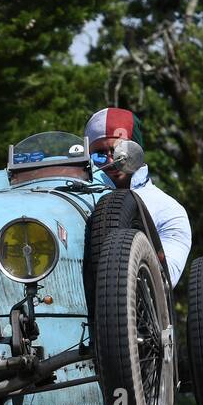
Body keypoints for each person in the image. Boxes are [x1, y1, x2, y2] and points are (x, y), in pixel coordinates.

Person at [83, 107, 191, 286]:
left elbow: (165, 281)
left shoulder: (169, 209)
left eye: (121, 153)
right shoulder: (76, 199)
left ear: (137, 152)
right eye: (99, 155)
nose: (112, 161)